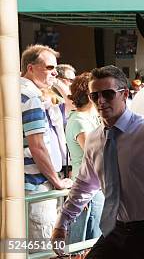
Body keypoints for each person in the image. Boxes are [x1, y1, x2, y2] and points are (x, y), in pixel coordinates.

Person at [52, 66, 144, 258]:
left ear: (124, 95)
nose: (101, 101)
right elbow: (85, 185)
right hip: (115, 229)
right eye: (94, 96)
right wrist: (62, 222)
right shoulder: (94, 139)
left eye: (108, 94)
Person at [20, 45, 73, 250]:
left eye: (57, 69)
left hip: (24, 187)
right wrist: (57, 182)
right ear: (31, 68)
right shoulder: (30, 97)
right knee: (43, 251)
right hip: (36, 188)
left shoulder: (18, 91)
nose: (54, 73)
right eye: (50, 67)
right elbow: (38, 147)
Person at [65, 72, 104, 245]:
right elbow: (96, 155)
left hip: (95, 190)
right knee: (86, 244)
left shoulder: (89, 119)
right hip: (89, 192)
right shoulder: (80, 120)